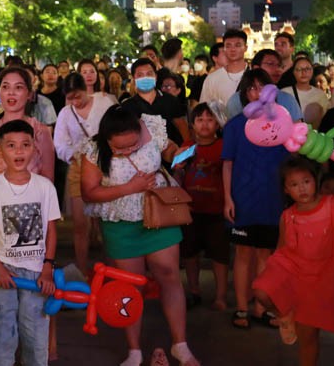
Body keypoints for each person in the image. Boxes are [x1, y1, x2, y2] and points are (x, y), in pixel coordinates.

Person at [80, 106, 198, 366]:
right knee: (130, 286)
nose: (127, 152)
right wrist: (129, 188)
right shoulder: (93, 149)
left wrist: (176, 154)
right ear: (106, 139)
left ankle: (181, 345)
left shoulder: (152, 127)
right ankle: (133, 351)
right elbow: (89, 192)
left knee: (169, 275)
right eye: (119, 149)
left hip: (159, 215)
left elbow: (167, 150)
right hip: (121, 224)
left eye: (133, 145)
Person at [0, 67, 55, 357]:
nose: (12, 93)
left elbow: (49, 186)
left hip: (33, 235)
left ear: (29, 94)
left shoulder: (41, 132)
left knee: (33, 306)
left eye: (19, 87)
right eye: (5, 86)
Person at [253, 157, 334, 365]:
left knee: (308, 337)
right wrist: (276, 282)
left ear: (315, 181)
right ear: (286, 189)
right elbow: (280, 251)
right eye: (294, 184)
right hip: (292, 271)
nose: (302, 189)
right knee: (261, 291)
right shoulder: (287, 215)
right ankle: (285, 316)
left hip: (320, 279)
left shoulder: (333, 204)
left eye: (306, 181)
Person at [222, 69, 290, 330]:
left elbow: (288, 165)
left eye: (262, 87)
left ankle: (261, 308)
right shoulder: (235, 125)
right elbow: (227, 164)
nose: (257, 93)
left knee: (265, 255)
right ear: (244, 93)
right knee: (242, 254)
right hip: (242, 200)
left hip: (271, 200)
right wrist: (228, 198)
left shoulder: (282, 124)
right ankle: (241, 307)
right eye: (251, 88)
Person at [54, 72, 116, 277]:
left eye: (78, 96)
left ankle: (110, 269)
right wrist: (74, 154)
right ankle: (82, 270)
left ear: (85, 90)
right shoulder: (65, 113)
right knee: (80, 224)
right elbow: (60, 144)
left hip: (105, 166)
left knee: (106, 221)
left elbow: (115, 131)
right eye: (70, 98)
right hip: (78, 168)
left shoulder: (104, 103)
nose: (75, 102)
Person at [176, 103, 229, 311]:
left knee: (220, 256)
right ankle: (194, 291)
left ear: (218, 123)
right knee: (190, 254)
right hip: (191, 211)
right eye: (200, 120)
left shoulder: (224, 146)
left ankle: (221, 296)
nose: (205, 124)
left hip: (217, 210)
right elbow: (177, 174)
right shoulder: (187, 146)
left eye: (210, 119)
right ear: (192, 124)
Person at [122, 58, 189, 147]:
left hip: (172, 156)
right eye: (140, 75)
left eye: (149, 74)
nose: (145, 78)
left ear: (156, 76)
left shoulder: (170, 100)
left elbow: (184, 130)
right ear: (134, 78)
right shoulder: (127, 106)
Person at [225, 50, 303, 121]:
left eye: (279, 65)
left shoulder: (287, 99)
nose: (277, 69)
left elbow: (298, 129)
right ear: (256, 68)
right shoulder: (236, 101)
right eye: (271, 64)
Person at [200, 29, 248, 107]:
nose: (233, 49)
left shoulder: (254, 75)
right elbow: (204, 108)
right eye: (228, 46)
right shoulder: (212, 79)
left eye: (237, 45)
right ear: (224, 49)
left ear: (245, 48)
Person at [281, 57, 329, 129]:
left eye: (307, 69)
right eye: (299, 69)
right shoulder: (284, 93)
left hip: (314, 137)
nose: (303, 72)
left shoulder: (320, 95)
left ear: (312, 71)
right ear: (293, 72)